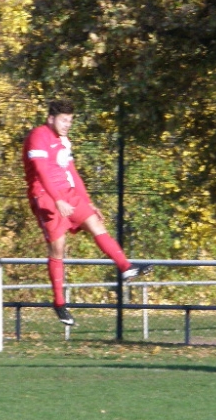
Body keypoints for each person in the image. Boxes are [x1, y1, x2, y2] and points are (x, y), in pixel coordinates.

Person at [22, 100, 151, 325]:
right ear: (51, 118)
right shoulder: (38, 136)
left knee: (96, 224)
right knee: (58, 247)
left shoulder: (64, 141)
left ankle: (125, 267)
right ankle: (60, 303)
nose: (67, 125)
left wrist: (87, 202)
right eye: (63, 120)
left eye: (70, 121)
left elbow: (72, 171)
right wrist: (58, 200)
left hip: (67, 194)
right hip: (45, 197)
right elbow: (41, 172)